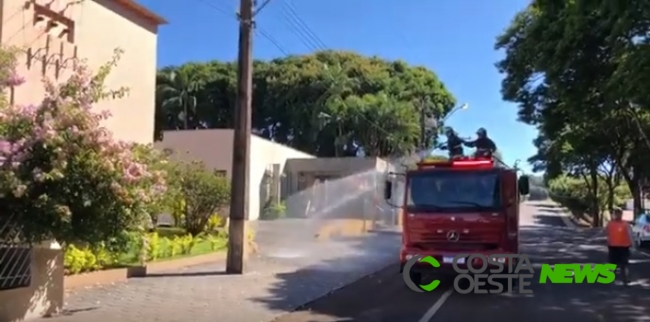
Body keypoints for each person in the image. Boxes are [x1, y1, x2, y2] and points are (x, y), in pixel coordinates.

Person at [606, 207, 634, 283]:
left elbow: (630, 234)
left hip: (624, 246)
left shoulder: (625, 224)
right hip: (613, 246)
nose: (618, 215)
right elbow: (608, 234)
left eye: (619, 213)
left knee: (624, 264)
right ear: (614, 214)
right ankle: (612, 277)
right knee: (613, 264)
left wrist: (632, 244)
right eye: (616, 213)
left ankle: (625, 279)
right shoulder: (610, 224)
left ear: (621, 214)